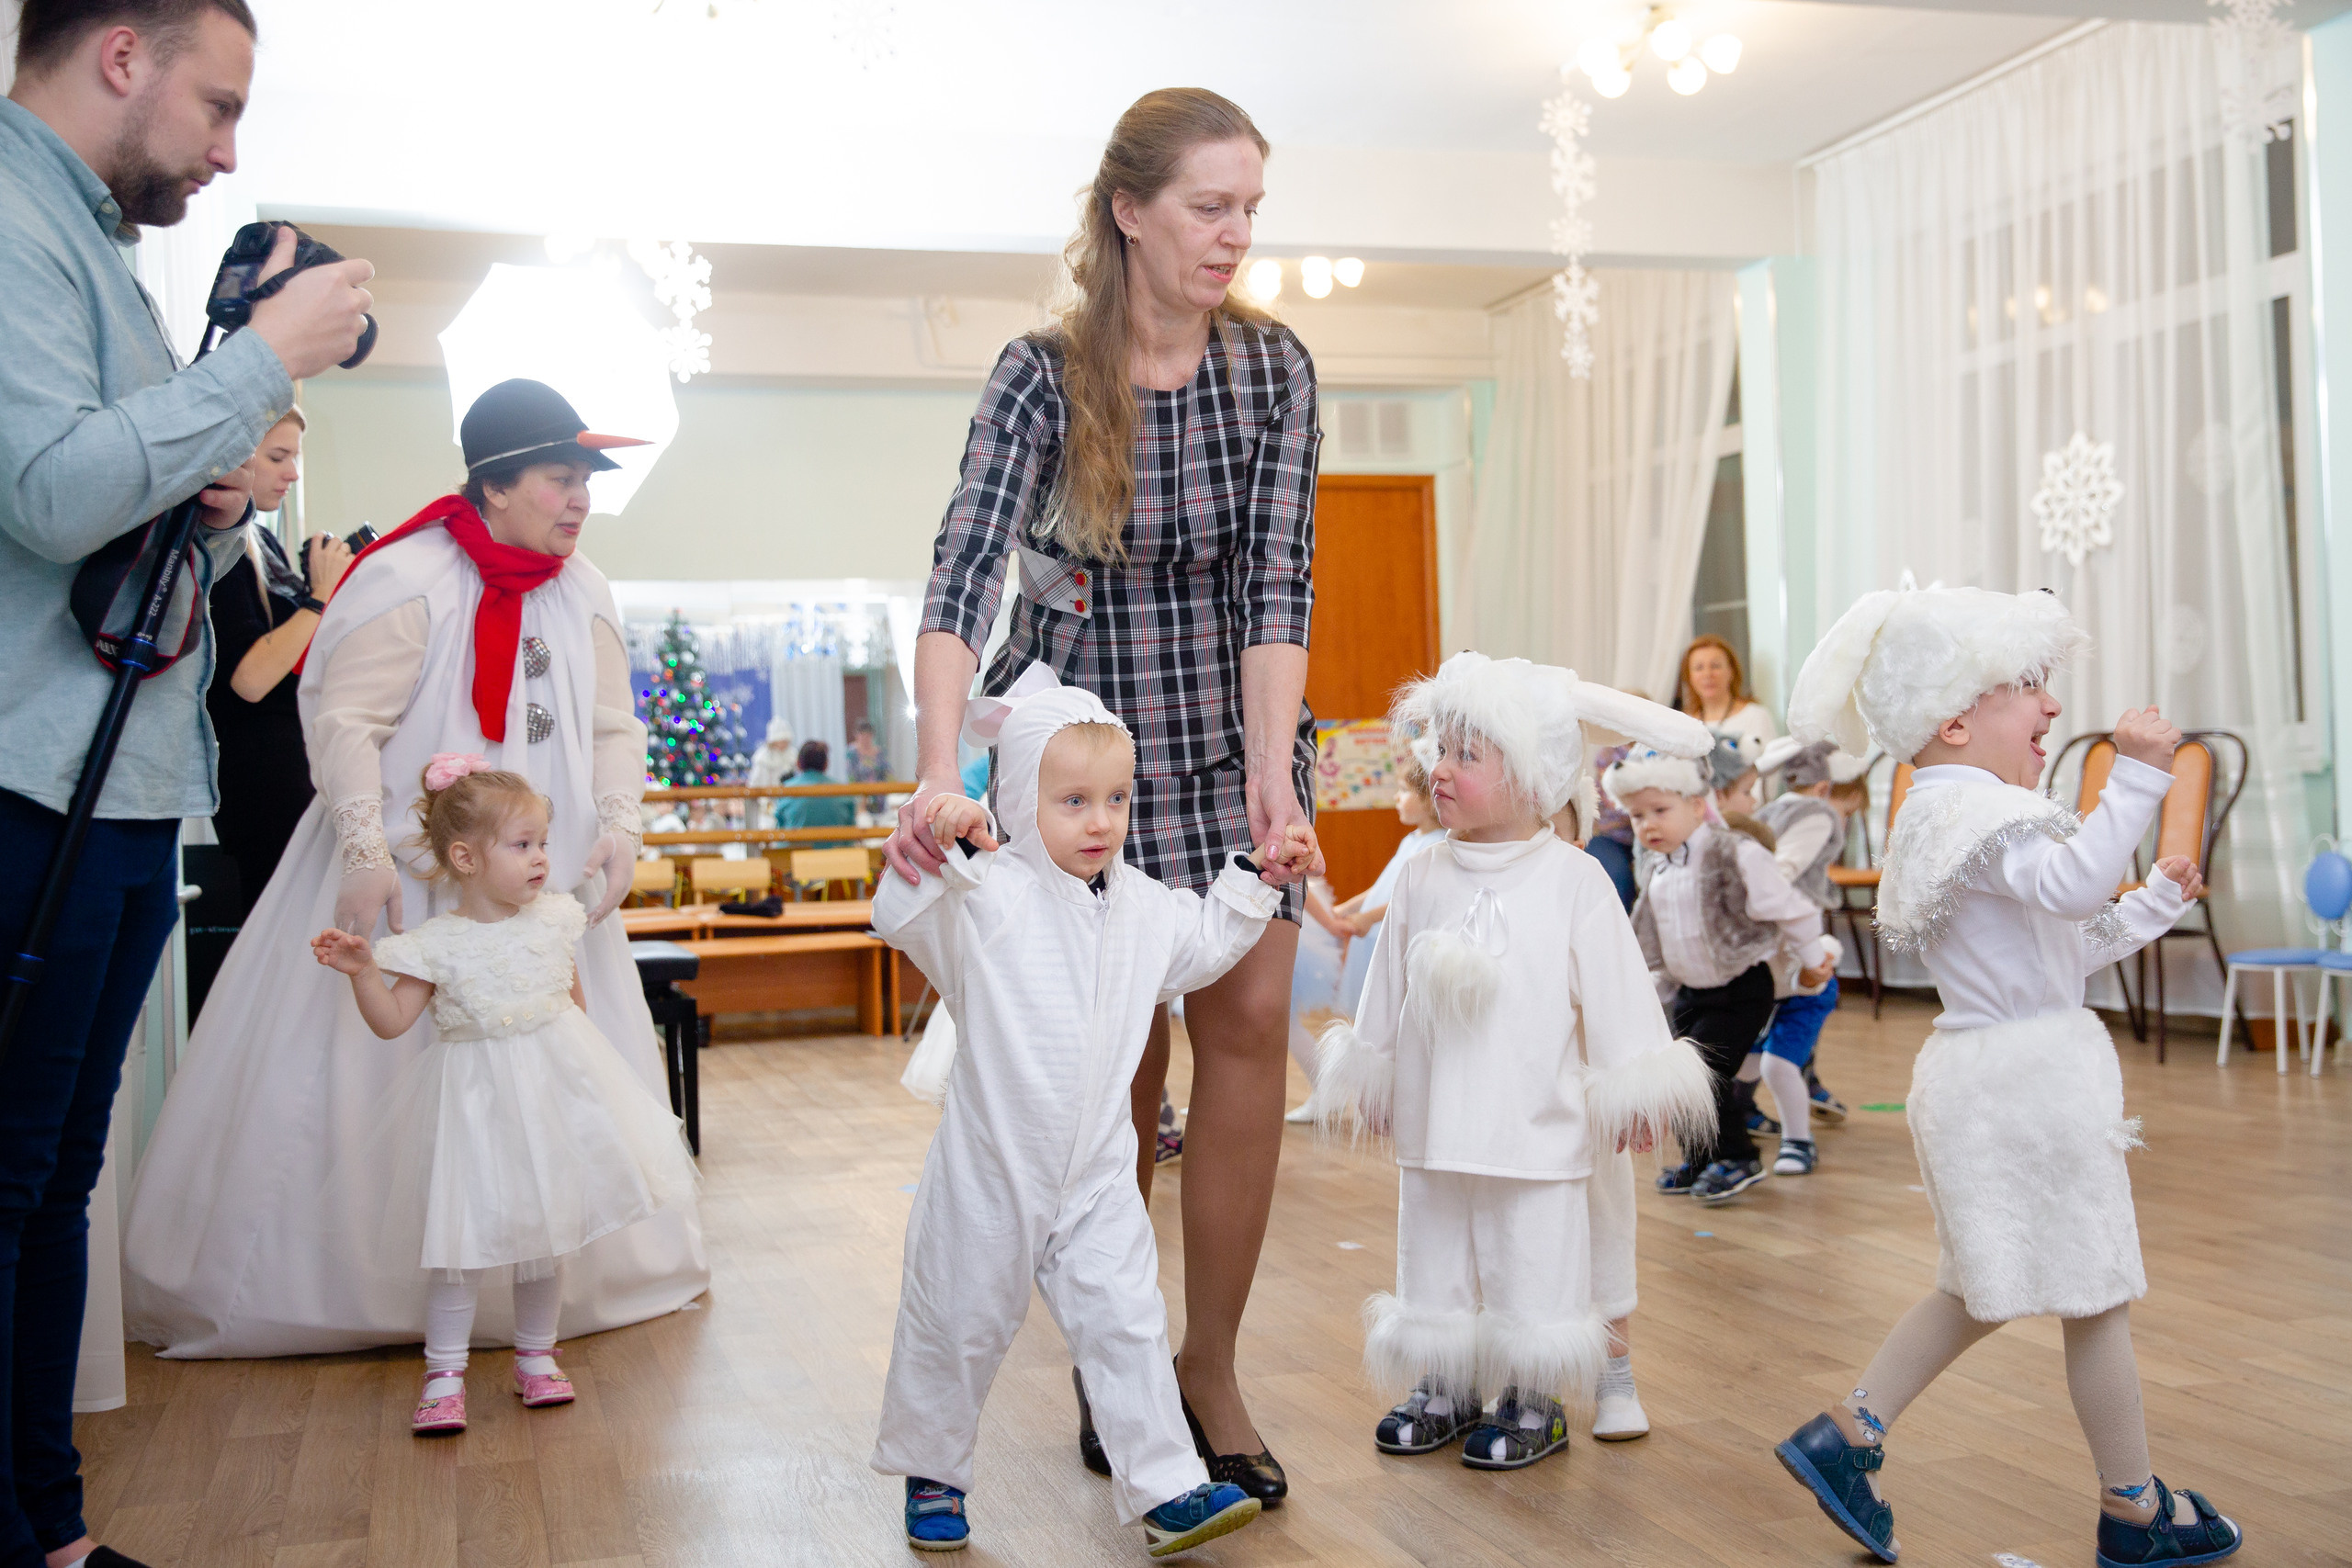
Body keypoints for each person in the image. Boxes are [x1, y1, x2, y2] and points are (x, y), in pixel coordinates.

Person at [883, 87, 1319, 1501]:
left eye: (1250, 204)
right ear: (1130, 210)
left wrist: (1273, 774)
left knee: (1249, 1024)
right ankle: (1115, 1355)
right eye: (1209, 205)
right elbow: (962, 573)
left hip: (1228, 723)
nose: (1236, 233)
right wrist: (945, 766)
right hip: (1083, 746)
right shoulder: (1040, 373)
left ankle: (1210, 1365)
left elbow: (1278, 584)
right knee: (1107, 1064)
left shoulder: (1274, 370)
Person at [0, 5, 373, 1565]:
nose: (227, 154)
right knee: (16, 1176)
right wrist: (256, 366)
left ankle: (54, 1531)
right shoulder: (14, 216)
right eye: (216, 109)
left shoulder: (98, 253)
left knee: (59, 1174)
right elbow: (50, 495)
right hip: (36, 786)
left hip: (129, 787)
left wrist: (215, 487)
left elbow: (131, 528)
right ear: (122, 56)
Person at [122, 378, 708, 1358]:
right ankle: (370, 1287)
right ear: (496, 482)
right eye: (562, 478)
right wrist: (362, 849)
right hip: (411, 878)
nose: (580, 500)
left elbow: (613, 723)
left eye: (585, 482)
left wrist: (620, 826)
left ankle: (554, 1282)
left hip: (534, 887)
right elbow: (344, 719)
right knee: (367, 1067)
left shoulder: (587, 588)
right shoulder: (405, 575)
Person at [1772, 586, 2238, 1568]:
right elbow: (2073, 886)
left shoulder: (1948, 813)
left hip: (1983, 1073)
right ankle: (2134, 1510)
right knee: (2095, 1291)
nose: (2052, 708)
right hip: (2030, 1084)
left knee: (1978, 1286)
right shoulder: (1980, 810)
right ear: (1954, 718)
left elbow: (2063, 944)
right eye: (2028, 685)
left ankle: (1848, 1435)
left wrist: (2151, 900)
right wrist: (2137, 777)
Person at [870, 664, 1313, 1556]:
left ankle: (1165, 1488)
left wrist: (1258, 882)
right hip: (992, 1168)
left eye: (1115, 798)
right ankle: (934, 1470)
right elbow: (900, 914)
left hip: (1101, 1171)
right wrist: (933, 843)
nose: (1100, 820)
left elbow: (1202, 944)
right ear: (1021, 796)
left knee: (1127, 1322)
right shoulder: (983, 899)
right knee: (956, 1319)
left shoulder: (1144, 906)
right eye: (1073, 801)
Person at [1311, 655, 1714, 1470]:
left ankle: (1535, 1393)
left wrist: (1635, 1088)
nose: (1440, 768)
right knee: (1435, 1246)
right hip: (1437, 1112)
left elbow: (1615, 993)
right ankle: (1446, 1377)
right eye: (1439, 749)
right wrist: (1376, 1067)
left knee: (1534, 1252)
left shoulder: (1575, 880)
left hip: (1536, 1119)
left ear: (1533, 775)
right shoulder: (1423, 871)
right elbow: (1385, 982)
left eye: (1468, 754)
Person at [310, 760, 695, 1437]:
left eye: (542, 842)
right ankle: (443, 1372)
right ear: (466, 856)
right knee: (459, 1242)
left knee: (545, 1237)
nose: (541, 857)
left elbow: (574, 1010)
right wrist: (365, 971)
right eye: (522, 845)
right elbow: (391, 1021)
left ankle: (537, 1356)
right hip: (474, 1111)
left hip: (550, 1098)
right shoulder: (435, 944)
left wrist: (590, 1102)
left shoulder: (554, 922)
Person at [1605, 743, 1835, 1205]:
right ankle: (1701, 1158)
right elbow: (1652, 934)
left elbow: (1789, 909)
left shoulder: (1735, 853)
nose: (1648, 824)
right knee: (1680, 1077)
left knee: (1706, 1076)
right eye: (1636, 816)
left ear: (1696, 805)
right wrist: (1651, 987)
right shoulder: (1658, 867)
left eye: (1659, 810)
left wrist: (1812, 961)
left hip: (1741, 987)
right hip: (1691, 992)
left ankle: (1739, 1158)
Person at [205, 409, 350, 918]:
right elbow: (250, 677)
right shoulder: (218, 550)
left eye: (295, 458)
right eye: (277, 457)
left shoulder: (260, 541)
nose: (292, 473)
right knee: (286, 926)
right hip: (261, 773)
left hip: (293, 759)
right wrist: (321, 596)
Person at [1744, 739, 1868, 1176]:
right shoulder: (1814, 814)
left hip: (1805, 975)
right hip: (1771, 969)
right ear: (1823, 788)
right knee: (1745, 1063)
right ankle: (1746, 1125)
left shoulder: (1769, 813)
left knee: (1778, 1067)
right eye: (1847, 813)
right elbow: (1783, 871)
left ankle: (1798, 1141)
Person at [1674, 635, 1776, 760]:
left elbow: (1771, 770)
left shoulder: (1756, 716)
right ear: (1689, 676)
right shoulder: (1683, 723)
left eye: (1715, 666)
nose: (1707, 674)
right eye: (1699, 668)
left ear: (1731, 671)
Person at [773, 738, 857, 846]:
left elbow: (780, 829)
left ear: (798, 763)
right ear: (826, 764)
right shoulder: (844, 792)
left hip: (795, 859)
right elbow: (851, 836)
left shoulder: (786, 791)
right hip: (837, 859)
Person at [847, 716, 890, 813]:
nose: (865, 738)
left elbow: (888, 773)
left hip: (879, 795)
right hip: (859, 796)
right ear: (856, 735)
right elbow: (851, 776)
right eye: (862, 735)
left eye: (868, 735)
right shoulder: (852, 753)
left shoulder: (879, 752)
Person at [745, 716, 797, 789]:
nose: (783, 744)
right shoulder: (763, 757)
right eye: (781, 741)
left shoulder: (792, 754)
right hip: (767, 796)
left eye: (786, 741)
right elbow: (755, 783)